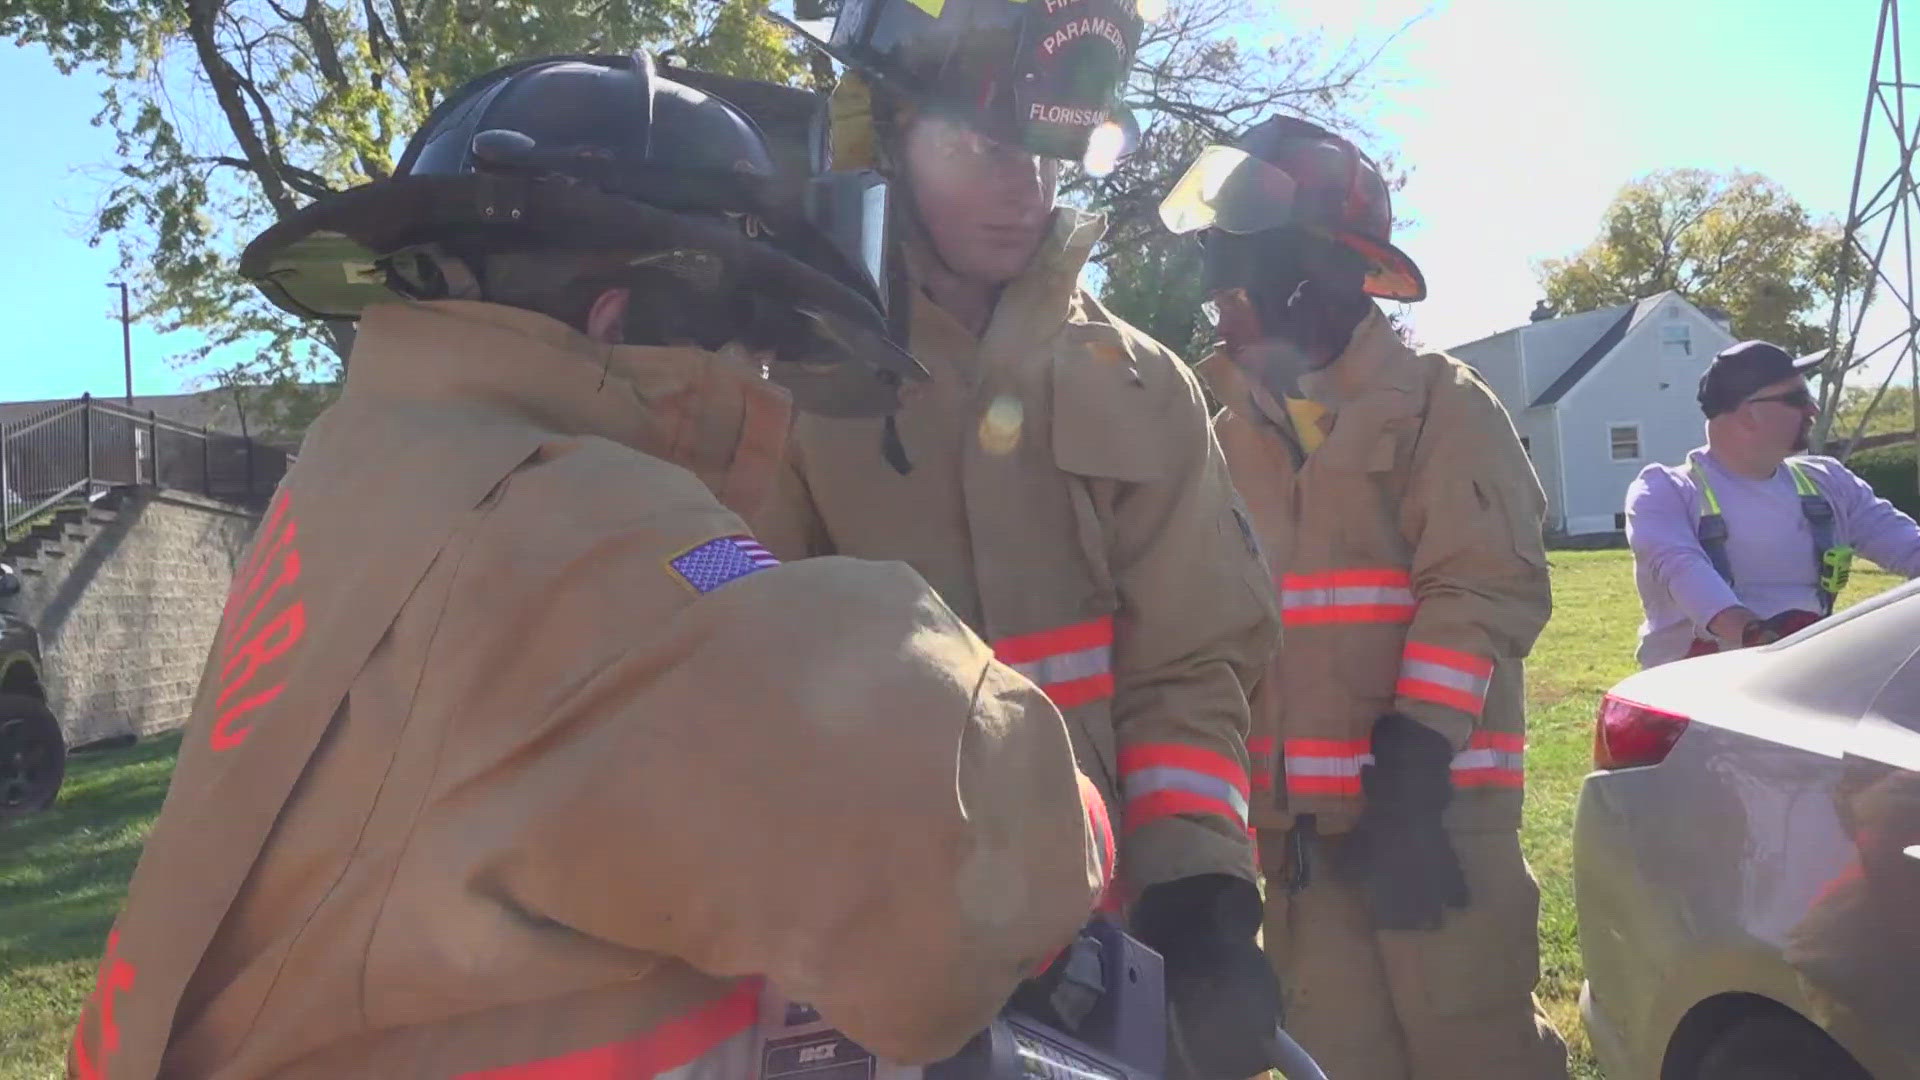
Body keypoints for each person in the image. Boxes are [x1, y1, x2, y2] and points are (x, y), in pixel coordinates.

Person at [66, 54, 1116, 1080]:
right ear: (619, 319)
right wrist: (1080, 829)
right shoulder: (555, 520)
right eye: (748, 343)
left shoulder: (379, 471)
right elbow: (947, 831)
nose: (762, 387)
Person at [757, 3, 1285, 1077]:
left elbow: (1190, 663)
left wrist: (1199, 890)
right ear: (886, 135)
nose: (1027, 187)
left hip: (1119, 955)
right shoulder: (776, 381)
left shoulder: (1144, 383)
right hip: (867, 973)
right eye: (985, 146)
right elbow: (739, 681)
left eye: (1050, 148)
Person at [1158, 115, 1570, 1080]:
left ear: (1318, 273)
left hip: (1435, 818)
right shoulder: (1217, 428)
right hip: (1295, 842)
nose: (1224, 305)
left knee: (1473, 1047)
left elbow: (1484, 583)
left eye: (1239, 276)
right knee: (1337, 1054)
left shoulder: (1441, 405)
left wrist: (1419, 761)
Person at [1626, 339, 1920, 667]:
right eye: (1797, 399)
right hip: (1694, 694)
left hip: (1799, 677)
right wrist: (1755, 634)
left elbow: (1906, 544)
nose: (1813, 410)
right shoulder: (1665, 490)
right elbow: (1682, 569)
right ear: (1748, 412)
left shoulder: (1829, 481)